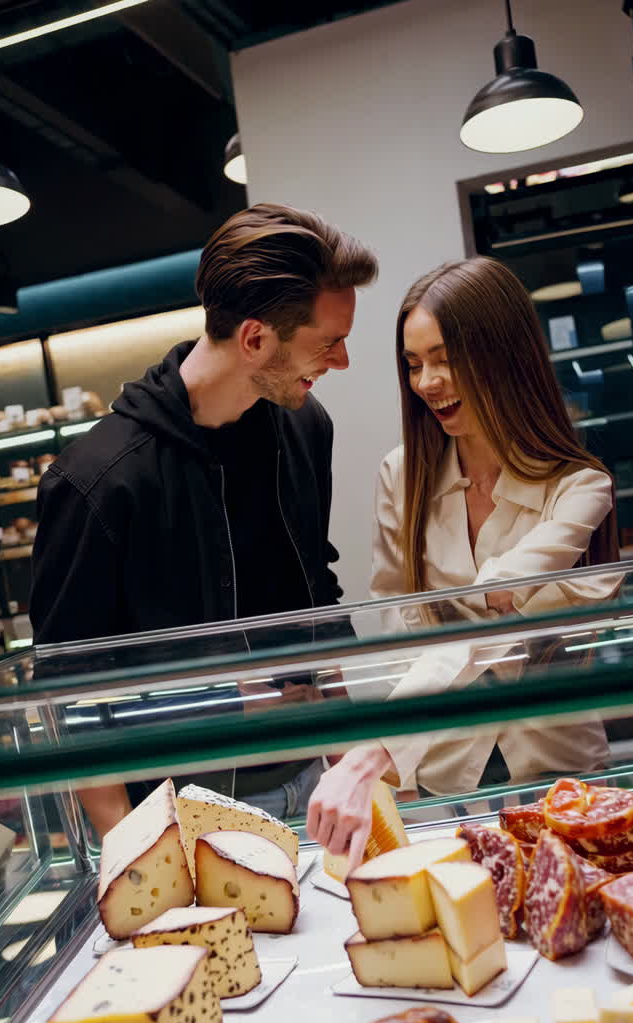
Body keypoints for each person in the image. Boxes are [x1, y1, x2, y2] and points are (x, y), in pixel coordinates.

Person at [29, 203, 378, 836]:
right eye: (329, 343)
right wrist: (132, 857)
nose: (342, 362)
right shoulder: (97, 481)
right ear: (254, 339)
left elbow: (316, 600)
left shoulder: (306, 428)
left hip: (314, 791)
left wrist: (351, 763)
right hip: (178, 820)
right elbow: (69, 693)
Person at [306, 255, 620, 870]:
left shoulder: (581, 488)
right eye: (415, 364)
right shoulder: (402, 477)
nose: (427, 382)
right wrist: (405, 771)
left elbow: (496, 608)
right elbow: (400, 633)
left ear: (503, 355)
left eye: (446, 358)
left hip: (564, 771)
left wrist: (379, 750)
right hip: (448, 778)